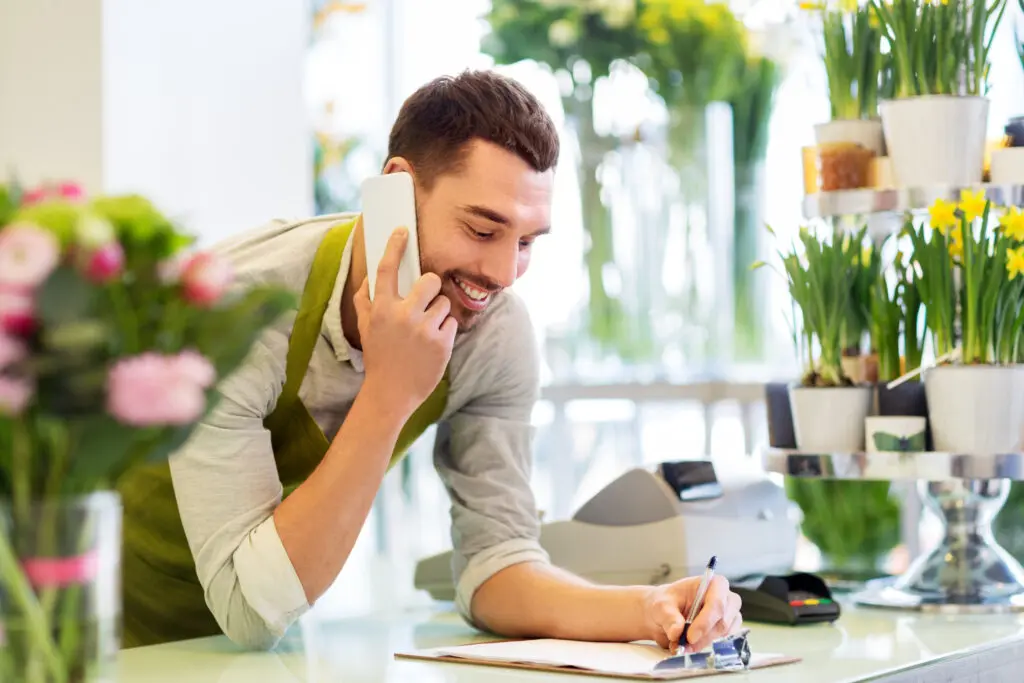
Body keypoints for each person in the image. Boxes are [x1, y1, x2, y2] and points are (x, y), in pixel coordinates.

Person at [116, 69, 742, 652]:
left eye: (526, 242)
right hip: (92, 630)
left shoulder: (494, 335)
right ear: (395, 188)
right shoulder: (234, 312)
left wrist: (647, 609)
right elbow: (247, 608)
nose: (502, 274)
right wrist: (389, 392)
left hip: (263, 645)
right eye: (481, 230)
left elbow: (496, 561)